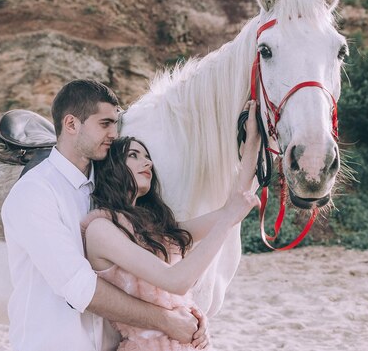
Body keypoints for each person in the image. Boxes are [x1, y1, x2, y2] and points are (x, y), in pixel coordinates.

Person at [1, 79, 207, 351]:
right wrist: (166, 321)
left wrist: (189, 315)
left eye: (115, 124)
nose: (114, 133)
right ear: (72, 124)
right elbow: (79, 288)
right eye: (104, 124)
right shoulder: (35, 192)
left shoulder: (111, 187)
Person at [81, 101, 261, 350]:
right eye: (133, 155)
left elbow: (234, 204)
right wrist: (227, 221)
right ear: (112, 168)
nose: (148, 163)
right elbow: (177, 280)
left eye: (147, 157)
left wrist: (252, 141)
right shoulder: (101, 229)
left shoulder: (155, 227)